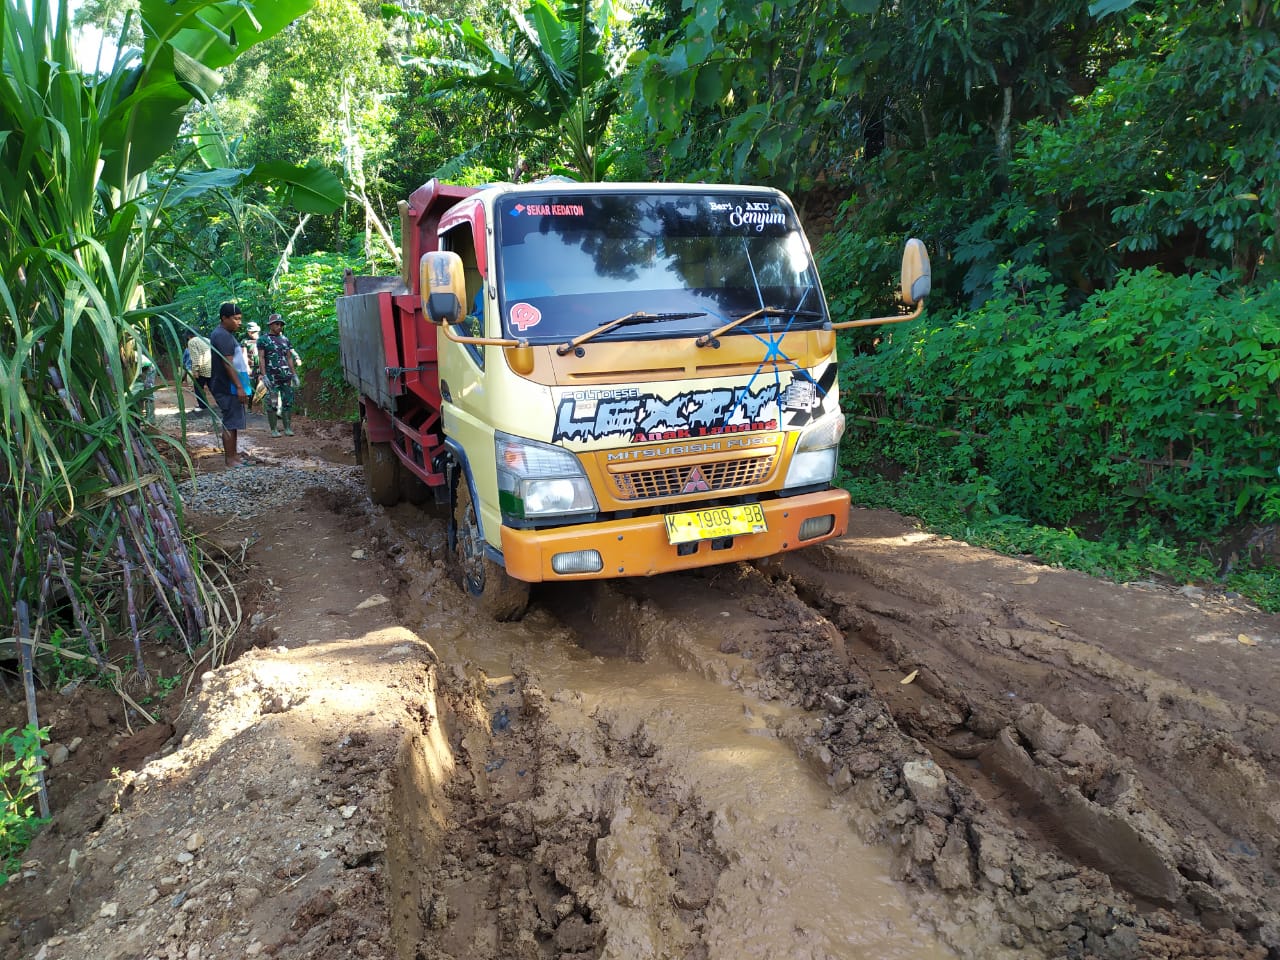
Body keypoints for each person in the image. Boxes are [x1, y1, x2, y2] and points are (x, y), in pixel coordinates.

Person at [209, 302, 250, 466]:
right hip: (227, 387)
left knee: (233, 423)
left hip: (230, 385)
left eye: (240, 319)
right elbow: (228, 363)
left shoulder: (225, 334)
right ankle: (230, 459)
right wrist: (239, 387)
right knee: (230, 422)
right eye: (235, 319)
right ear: (224, 318)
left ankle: (234, 456)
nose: (239, 322)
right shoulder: (222, 335)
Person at [257, 313, 300, 437]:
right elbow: (261, 358)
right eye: (277, 324)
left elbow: (289, 358)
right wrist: (264, 375)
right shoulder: (263, 340)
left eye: (281, 324)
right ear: (271, 325)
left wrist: (294, 374)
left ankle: (287, 428)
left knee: (288, 402)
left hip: (286, 376)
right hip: (272, 377)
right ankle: (274, 429)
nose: (279, 326)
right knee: (272, 403)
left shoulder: (285, 339)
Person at [185, 327, 213, 413]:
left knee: (198, 387)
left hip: (202, 368)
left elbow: (196, 357)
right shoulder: (207, 339)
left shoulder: (192, 342)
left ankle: (202, 405)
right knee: (213, 387)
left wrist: (196, 370)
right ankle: (223, 404)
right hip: (212, 367)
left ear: (189, 336)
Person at [242, 321, 262, 408]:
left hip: (261, 367)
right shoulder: (245, 342)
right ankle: (249, 407)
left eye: (254, 332)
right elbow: (244, 355)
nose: (253, 333)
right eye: (251, 332)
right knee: (250, 387)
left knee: (262, 387)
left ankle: (263, 408)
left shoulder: (262, 340)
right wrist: (246, 367)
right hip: (251, 367)